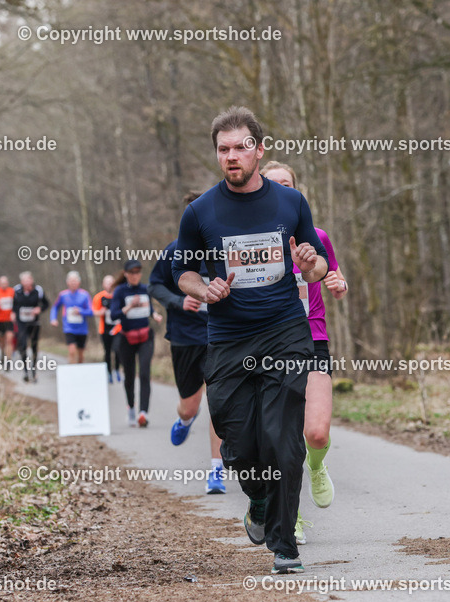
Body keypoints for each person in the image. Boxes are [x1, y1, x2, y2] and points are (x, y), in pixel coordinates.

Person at [172, 106, 328, 574]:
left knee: (282, 438)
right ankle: (258, 500)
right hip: (229, 338)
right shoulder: (200, 212)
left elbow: (317, 268)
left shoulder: (290, 203)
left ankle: (285, 545)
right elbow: (182, 272)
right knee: (238, 443)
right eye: (224, 149)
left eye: (241, 147)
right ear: (216, 154)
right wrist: (204, 289)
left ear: (259, 150)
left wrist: (310, 264)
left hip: (285, 333)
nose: (232, 156)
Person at [261, 161, 347, 545]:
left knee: (315, 432)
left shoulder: (317, 236)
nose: (282, 190)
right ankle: (290, 517)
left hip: (312, 338)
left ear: (296, 192)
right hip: (270, 342)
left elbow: (333, 275)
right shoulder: (254, 242)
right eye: (273, 184)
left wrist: (338, 284)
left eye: (287, 184)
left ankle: (315, 465)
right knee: (281, 437)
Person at [148, 192, 225, 493]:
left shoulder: (225, 248)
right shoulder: (175, 250)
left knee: (218, 404)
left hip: (221, 336)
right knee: (189, 407)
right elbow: (154, 285)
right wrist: (179, 301)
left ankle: (216, 470)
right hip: (185, 338)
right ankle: (184, 420)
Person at [111, 260, 163, 427]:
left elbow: (149, 308)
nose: (135, 276)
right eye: (132, 273)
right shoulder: (120, 291)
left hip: (145, 337)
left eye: (138, 272)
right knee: (129, 376)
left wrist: (155, 315)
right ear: (126, 274)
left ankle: (143, 413)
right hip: (127, 339)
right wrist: (129, 307)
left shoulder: (145, 289)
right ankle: (131, 408)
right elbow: (113, 315)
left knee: (145, 373)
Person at [12, 271, 50, 382]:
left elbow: (46, 304)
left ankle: (34, 370)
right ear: (21, 282)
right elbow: (13, 304)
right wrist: (13, 313)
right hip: (21, 322)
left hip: (34, 323)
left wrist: (39, 309)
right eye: (24, 281)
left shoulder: (38, 290)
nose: (27, 283)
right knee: (22, 345)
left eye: (29, 280)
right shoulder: (16, 290)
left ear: (32, 280)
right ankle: (25, 371)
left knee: (34, 346)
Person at [50, 270, 94, 364]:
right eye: (71, 281)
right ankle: (71, 370)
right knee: (72, 351)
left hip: (82, 329)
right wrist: (53, 319)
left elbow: (91, 311)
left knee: (80, 354)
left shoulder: (84, 295)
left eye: (75, 281)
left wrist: (80, 311)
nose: (73, 283)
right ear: (67, 282)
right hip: (69, 328)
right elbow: (55, 307)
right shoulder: (63, 295)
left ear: (79, 282)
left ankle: (79, 369)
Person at [91, 274, 121, 383]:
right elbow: (94, 312)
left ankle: (117, 370)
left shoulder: (118, 295)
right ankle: (108, 372)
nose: (109, 285)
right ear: (103, 284)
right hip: (105, 329)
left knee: (117, 349)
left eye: (111, 282)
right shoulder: (99, 297)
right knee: (107, 351)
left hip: (118, 328)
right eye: (107, 283)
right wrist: (101, 312)